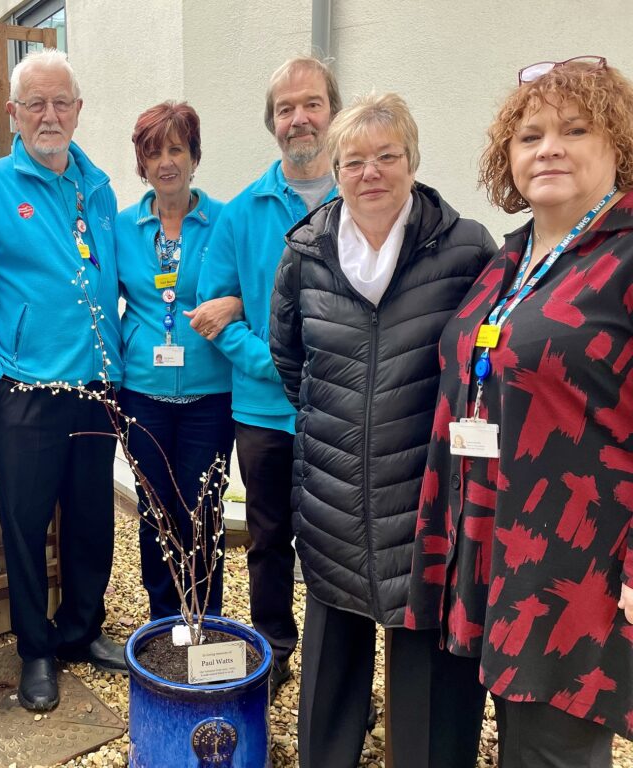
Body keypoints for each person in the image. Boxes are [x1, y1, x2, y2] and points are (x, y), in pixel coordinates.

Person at [407, 57, 633, 767]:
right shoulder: (509, 261)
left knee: (548, 754)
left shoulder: (624, 260)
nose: (550, 148)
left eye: (574, 129)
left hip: (570, 567)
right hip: (474, 543)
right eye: (530, 135)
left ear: (617, 147)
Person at [271, 92, 497, 768]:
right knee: (331, 658)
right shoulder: (307, 251)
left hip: (422, 495)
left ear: (412, 161)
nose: (371, 173)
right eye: (354, 161)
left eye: (387, 157)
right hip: (334, 489)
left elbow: (479, 366)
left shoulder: (464, 247)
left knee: (425, 671)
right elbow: (290, 359)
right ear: (335, 170)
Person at [0, 49, 126, 713]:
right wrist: (0, 370)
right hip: (25, 391)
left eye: (62, 103)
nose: (50, 115)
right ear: (14, 114)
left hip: (94, 386)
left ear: (78, 112)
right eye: (37, 104)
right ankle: (35, 649)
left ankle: (81, 632)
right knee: (25, 525)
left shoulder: (101, 189)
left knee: (90, 519)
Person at [196, 55, 341, 695]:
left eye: (311, 104)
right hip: (264, 410)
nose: (299, 118)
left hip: (343, 409)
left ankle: (335, 668)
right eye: (286, 109)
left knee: (338, 543)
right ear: (271, 124)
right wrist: (277, 364)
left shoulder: (361, 195)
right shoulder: (243, 211)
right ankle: (276, 645)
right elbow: (213, 311)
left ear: (332, 114)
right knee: (268, 536)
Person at [115, 101, 239, 621]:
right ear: (141, 164)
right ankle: (164, 619)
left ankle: (205, 617)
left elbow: (260, 285)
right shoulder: (122, 228)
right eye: (153, 152)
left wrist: (237, 304)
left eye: (176, 149)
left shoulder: (226, 221)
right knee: (155, 514)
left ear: (194, 156)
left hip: (210, 396)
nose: (165, 161)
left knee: (204, 511)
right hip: (143, 394)